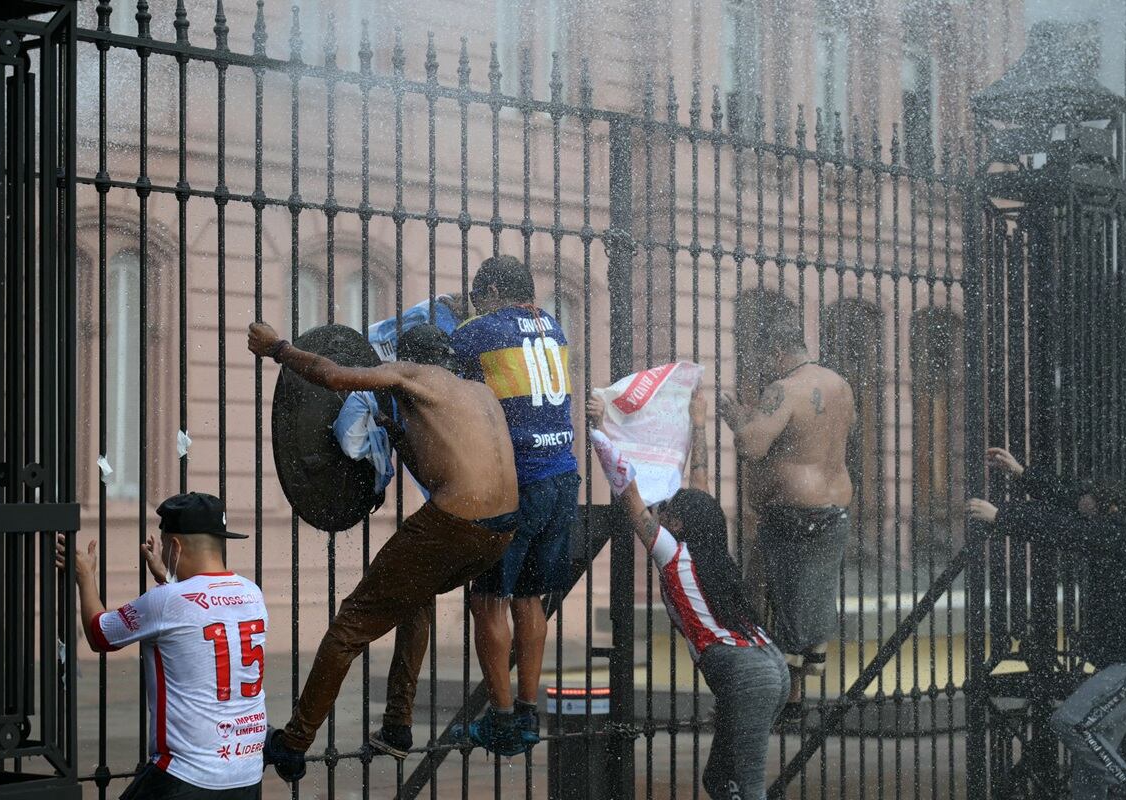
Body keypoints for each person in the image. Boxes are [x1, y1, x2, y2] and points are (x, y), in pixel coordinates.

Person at [248, 321, 519, 781]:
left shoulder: (411, 375)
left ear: (411, 358)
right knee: (414, 596)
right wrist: (397, 434)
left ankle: (294, 742)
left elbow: (332, 376)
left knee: (349, 626)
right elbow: (446, 458)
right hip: (501, 531)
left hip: (454, 524)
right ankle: (396, 725)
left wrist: (278, 349)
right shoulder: (478, 391)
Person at [586, 390, 789, 800]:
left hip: (749, 677)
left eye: (666, 512)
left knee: (749, 789)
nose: (658, 513)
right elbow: (700, 486)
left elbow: (630, 496)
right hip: (771, 666)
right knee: (718, 781)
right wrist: (698, 422)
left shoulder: (672, 554)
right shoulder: (710, 549)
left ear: (676, 523)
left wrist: (600, 428)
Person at [427, 255, 581, 756]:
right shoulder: (553, 326)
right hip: (563, 478)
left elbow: (436, 374)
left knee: (487, 599)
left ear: (492, 290)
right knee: (531, 597)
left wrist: (451, 319)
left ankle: (501, 718)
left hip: (519, 485)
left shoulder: (480, 330)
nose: (477, 306)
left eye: (479, 298)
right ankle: (530, 714)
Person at [967, 448, 1126, 800]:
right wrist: (1021, 472)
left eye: (1085, 499)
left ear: (1105, 505)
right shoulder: (1116, 523)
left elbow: (1063, 530)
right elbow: (1067, 498)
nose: (1077, 503)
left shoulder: (1123, 533)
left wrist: (1002, 517)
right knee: (1094, 747)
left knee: (1072, 722)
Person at [57, 492, 267, 800]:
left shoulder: (167, 601)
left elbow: (99, 634)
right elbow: (198, 616)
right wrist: (166, 577)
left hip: (184, 775)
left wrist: (85, 576)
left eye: (167, 546)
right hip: (246, 775)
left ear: (176, 546)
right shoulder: (252, 594)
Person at [718, 291, 856, 726]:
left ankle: (778, 698)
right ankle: (795, 694)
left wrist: (738, 418)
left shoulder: (785, 388)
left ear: (778, 352)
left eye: (767, 358)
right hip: (834, 506)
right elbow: (816, 438)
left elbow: (752, 446)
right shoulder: (839, 384)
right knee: (810, 599)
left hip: (795, 514)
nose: (766, 367)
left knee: (767, 597)